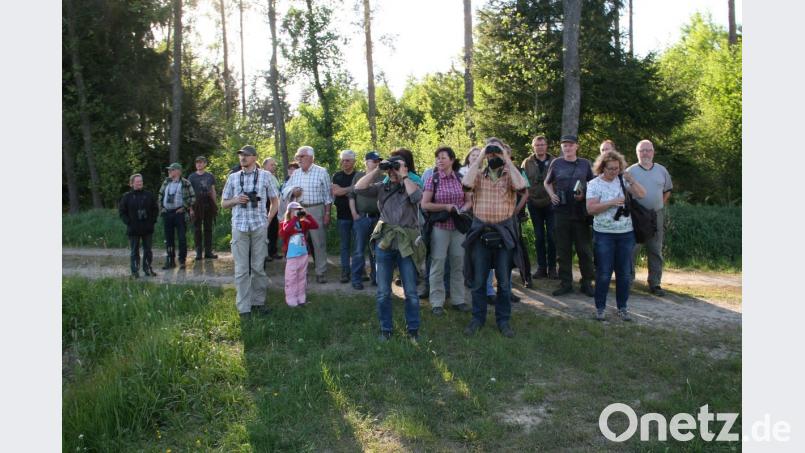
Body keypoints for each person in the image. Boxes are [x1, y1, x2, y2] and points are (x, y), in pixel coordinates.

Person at [354, 154, 424, 342]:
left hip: (406, 244)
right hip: (385, 243)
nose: (393, 170)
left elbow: (417, 197)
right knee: (383, 291)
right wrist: (378, 169)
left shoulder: (411, 185)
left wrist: (404, 175)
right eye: (391, 168)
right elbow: (358, 188)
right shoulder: (381, 187)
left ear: (406, 169)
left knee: (410, 291)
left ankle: (413, 330)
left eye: (397, 166)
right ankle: (386, 329)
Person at [462, 138, 528, 338]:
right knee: (480, 281)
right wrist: (482, 155)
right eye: (491, 154)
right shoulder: (478, 176)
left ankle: (503, 321)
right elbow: (465, 183)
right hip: (481, 232)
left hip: (503, 233)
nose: (493, 157)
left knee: (505, 283)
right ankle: (477, 319)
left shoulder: (510, 175)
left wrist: (505, 157)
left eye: (495, 153)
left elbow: (521, 185)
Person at [586, 150, 646, 321]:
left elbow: (642, 194)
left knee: (624, 273)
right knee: (604, 273)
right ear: (602, 168)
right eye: (611, 169)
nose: (614, 172)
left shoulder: (622, 180)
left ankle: (622, 308)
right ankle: (600, 308)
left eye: (617, 168)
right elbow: (591, 209)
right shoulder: (594, 184)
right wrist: (611, 202)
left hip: (626, 234)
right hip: (604, 234)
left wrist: (632, 181)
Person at [221, 145, 280, 320]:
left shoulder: (266, 176)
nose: (243, 158)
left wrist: (268, 221)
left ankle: (258, 303)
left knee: (258, 268)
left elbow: (275, 201)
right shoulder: (233, 178)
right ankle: (244, 309)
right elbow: (223, 203)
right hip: (239, 227)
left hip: (258, 227)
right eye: (240, 155)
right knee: (241, 270)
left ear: (255, 157)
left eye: (246, 155)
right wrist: (236, 200)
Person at [422, 146, 473, 315]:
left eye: (443, 157)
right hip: (440, 228)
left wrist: (463, 209)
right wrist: (446, 207)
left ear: (452, 160)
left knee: (458, 264)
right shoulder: (433, 179)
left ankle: (458, 300)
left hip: (458, 228)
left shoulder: (461, 178)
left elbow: (469, 200)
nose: (439, 160)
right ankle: (437, 302)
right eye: (437, 158)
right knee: (438, 264)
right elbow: (425, 204)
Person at [544, 135, 595, 297]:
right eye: (564, 145)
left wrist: (584, 194)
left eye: (570, 145)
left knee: (584, 250)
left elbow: (593, 184)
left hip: (580, 212)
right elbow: (547, 182)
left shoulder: (585, 164)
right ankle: (565, 283)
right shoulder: (556, 163)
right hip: (561, 212)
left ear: (576, 147)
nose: (567, 148)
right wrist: (551, 195)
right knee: (563, 250)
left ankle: (587, 283)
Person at [626, 139, 673, 296]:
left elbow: (667, 190)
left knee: (655, 249)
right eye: (642, 150)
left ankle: (655, 284)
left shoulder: (662, 170)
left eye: (648, 150)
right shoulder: (630, 171)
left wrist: (659, 205)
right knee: (632, 249)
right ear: (637, 153)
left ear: (653, 152)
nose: (645, 153)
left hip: (656, 215)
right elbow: (625, 193)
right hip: (636, 215)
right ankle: (628, 281)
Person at [281, 146, 333, 283]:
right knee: (298, 241)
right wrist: (293, 191)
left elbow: (328, 196)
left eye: (301, 156)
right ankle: (299, 271)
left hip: (317, 209)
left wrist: (327, 213)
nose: (298, 159)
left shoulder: (322, 172)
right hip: (299, 210)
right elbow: (285, 189)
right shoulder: (296, 173)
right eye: (297, 157)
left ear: (311, 157)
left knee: (318, 242)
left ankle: (320, 271)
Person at [521, 135, 557, 279]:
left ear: (546, 146)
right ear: (533, 147)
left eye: (542, 144)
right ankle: (542, 267)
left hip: (551, 203)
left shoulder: (555, 161)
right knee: (539, 237)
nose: (540, 147)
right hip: (534, 203)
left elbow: (558, 180)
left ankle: (553, 267)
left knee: (552, 236)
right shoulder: (527, 162)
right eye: (537, 145)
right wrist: (527, 198)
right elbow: (523, 182)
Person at [349, 151, 384, 289]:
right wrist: (354, 213)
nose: (377, 163)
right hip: (362, 217)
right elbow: (351, 195)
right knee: (359, 250)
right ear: (366, 162)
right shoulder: (358, 176)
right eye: (374, 161)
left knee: (377, 250)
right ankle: (356, 279)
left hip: (378, 219)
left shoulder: (383, 177)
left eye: (378, 161)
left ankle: (376, 278)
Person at [279, 201, 319, 307]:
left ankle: (301, 298)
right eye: (295, 210)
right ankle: (291, 300)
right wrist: (294, 219)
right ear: (289, 212)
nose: (298, 212)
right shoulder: (285, 223)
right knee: (291, 278)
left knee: (302, 277)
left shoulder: (303, 223)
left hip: (303, 254)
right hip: (292, 256)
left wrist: (307, 215)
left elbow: (315, 226)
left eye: (299, 210)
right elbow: (284, 232)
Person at [119, 173, 159, 278]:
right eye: (137, 182)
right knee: (134, 251)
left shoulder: (149, 195)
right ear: (132, 183)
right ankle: (135, 271)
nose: (139, 183)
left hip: (147, 228)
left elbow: (155, 209)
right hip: (133, 228)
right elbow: (122, 212)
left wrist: (152, 221)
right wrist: (128, 222)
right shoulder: (126, 197)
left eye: (141, 181)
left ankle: (147, 269)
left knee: (148, 250)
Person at [158, 163, 196, 269]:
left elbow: (193, 198)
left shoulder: (185, 183)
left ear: (178, 171)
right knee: (168, 239)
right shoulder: (166, 182)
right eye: (169, 170)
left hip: (180, 214)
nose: (169, 172)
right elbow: (160, 195)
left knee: (182, 238)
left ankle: (182, 261)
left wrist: (184, 207)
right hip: (167, 213)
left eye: (172, 170)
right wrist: (162, 208)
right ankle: (170, 260)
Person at [331, 150, 359, 283]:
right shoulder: (337, 176)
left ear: (354, 162)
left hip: (357, 215)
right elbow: (336, 191)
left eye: (347, 160)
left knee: (358, 245)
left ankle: (359, 271)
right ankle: (345, 271)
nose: (344, 162)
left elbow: (361, 190)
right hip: (342, 216)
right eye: (342, 160)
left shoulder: (359, 176)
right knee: (344, 245)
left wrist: (345, 190)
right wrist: (353, 188)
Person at [188, 156, 218, 260]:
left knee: (208, 228)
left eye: (201, 162)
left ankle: (208, 252)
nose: (199, 164)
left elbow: (213, 190)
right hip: (196, 205)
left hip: (208, 204)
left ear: (205, 164)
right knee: (197, 229)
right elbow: (188, 193)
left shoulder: (210, 176)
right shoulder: (191, 177)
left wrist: (215, 204)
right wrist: (190, 208)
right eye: (197, 162)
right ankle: (198, 252)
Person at [262, 157, 283, 261]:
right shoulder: (262, 176)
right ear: (264, 166)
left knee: (274, 229)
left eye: (275, 165)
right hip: (265, 206)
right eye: (271, 165)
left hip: (275, 206)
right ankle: (265, 254)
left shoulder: (274, 176)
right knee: (266, 230)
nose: (274, 166)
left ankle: (273, 251)